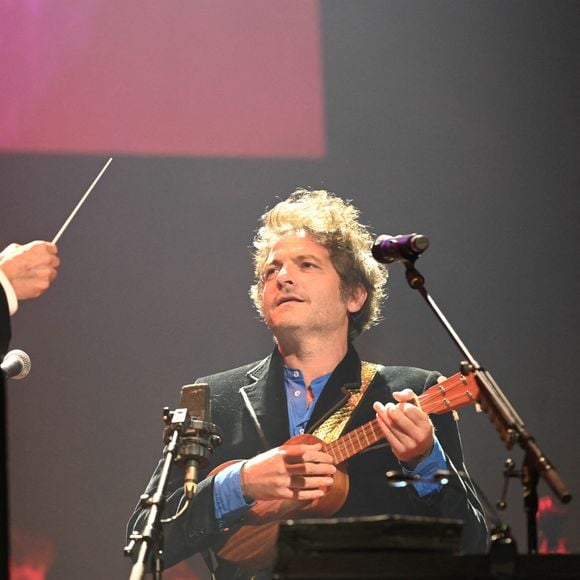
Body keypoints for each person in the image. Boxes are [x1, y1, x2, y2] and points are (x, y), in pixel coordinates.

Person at [127, 189, 488, 579]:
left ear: (354, 295)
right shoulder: (215, 397)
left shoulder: (412, 391)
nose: (282, 277)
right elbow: (147, 539)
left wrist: (424, 460)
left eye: (306, 264)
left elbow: (472, 546)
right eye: (271, 270)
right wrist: (241, 483)